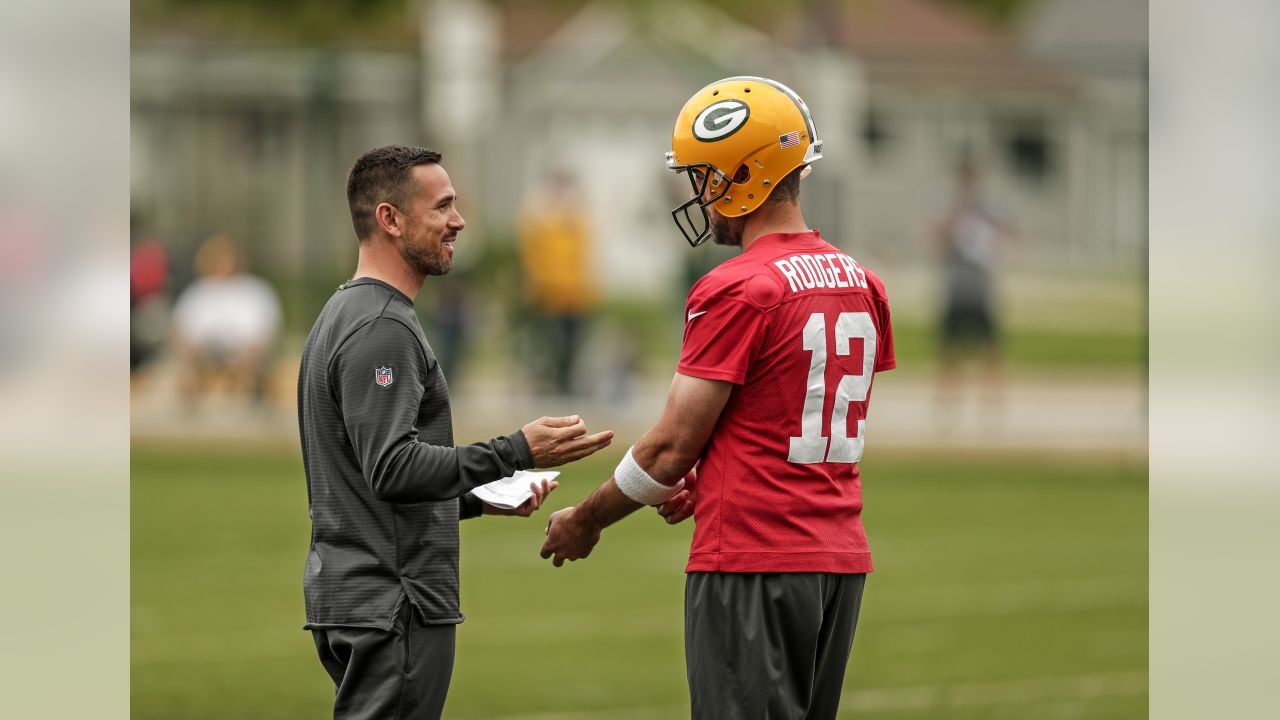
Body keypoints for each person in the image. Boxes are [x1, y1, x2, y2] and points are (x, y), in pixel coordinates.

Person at [540, 77, 896, 720]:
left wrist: (588, 517)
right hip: (838, 559)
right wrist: (721, 476)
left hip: (754, 559)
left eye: (706, 177)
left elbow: (670, 447)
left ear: (744, 177)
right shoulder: (861, 281)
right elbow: (791, 413)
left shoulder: (737, 286)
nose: (701, 196)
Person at [297, 145, 614, 719]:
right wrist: (517, 450)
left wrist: (480, 498)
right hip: (395, 603)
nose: (459, 221)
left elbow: (371, 480)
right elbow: (391, 469)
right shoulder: (381, 326)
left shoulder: (344, 313)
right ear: (390, 219)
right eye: (442, 206)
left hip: (359, 598)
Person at [933, 155, 1014, 415]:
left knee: (990, 346)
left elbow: (1004, 236)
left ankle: (992, 398)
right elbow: (938, 241)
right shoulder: (952, 210)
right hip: (957, 288)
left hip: (980, 288)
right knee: (950, 347)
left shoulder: (988, 210)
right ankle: (949, 399)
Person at [171, 233, 282, 405]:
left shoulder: (255, 291)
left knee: (254, 362)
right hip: (205, 355)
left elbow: (264, 332)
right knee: (187, 363)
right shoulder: (197, 293)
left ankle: (252, 398)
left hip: (243, 355)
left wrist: (245, 357)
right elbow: (183, 332)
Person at [516, 168, 597, 395]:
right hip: (547, 293)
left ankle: (565, 382)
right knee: (546, 343)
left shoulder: (578, 220)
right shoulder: (540, 220)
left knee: (571, 344)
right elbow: (532, 256)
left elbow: (584, 257)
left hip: (575, 294)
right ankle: (546, 380)